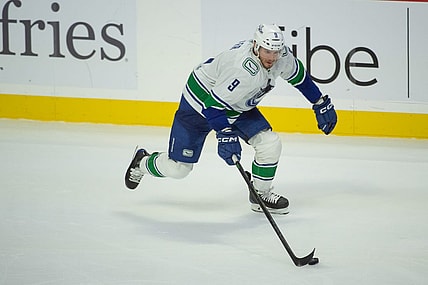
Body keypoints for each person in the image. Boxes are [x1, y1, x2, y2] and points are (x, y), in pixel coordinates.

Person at [124, 24, 337, 214]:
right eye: (267, 51)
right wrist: (225, 135)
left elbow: (299, 77)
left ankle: (259, 195)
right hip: (199, 105)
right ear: (256, 46)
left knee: (270, 144)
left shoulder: (281, 57)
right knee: (179, 169)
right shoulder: (242, 70)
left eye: (276, 51)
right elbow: (212, 106)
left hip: (236, 104)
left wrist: (319, 101)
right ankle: (141, 162)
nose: (272, 57)